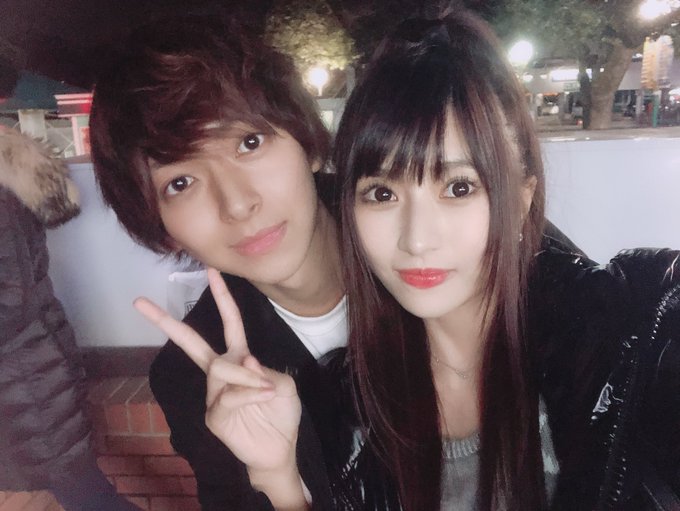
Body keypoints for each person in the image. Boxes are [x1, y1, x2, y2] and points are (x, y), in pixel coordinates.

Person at [331, 11, 680, 511]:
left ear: (521, 199)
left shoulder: (629, 348)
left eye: (458, 188)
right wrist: (281, 480)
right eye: (382, 193)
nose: (417, 240)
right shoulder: (350, 404)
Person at [89, 14, 345, 511]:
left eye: (249, 142)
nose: (237, 204)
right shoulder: (195, 380)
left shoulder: (428, 248)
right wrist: (277, 480)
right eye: (180, 182)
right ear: (162, 225)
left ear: (308, 142)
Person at [0, 127, 140, 510]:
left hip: (26, 379)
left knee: (88, 497)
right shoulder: (9, 167)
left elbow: (10, 298)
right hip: (29, 370)